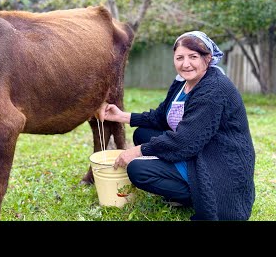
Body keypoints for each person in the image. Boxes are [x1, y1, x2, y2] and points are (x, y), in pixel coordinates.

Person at [96, 31, 255, 220]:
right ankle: (177, 184)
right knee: (143, 133)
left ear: (208, 58)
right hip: (198, 148)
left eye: (193, 57)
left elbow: (186, 141)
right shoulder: (182, 83)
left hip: (218, 161)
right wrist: (121, 116)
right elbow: (161, 117)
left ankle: (193, 195)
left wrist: (138, 151)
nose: (185, 64)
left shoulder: (214, 89)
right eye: (180, 57)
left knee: (137, 170)